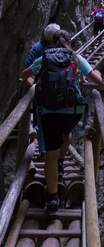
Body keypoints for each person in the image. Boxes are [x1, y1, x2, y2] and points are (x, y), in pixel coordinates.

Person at [20, 29, 103, 215]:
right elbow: (97, 80)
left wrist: (34, 81)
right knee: (66, 134)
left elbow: (24, 75)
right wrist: (97, 72)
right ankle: (61, 161)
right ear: (69, 41)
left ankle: (53, 198)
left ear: (53, 41)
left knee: (50, 154)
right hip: (73, 112)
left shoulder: (45, 57)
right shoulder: (76, 58)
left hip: (49, 112)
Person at [24, 23, 60, 161]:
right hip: (58, 90)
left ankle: (43, 150)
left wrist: (35, 72)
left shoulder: (39, 47)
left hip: (41, 88)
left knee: (40, 120)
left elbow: (27, 63)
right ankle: (55, 151)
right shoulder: (61, 48)